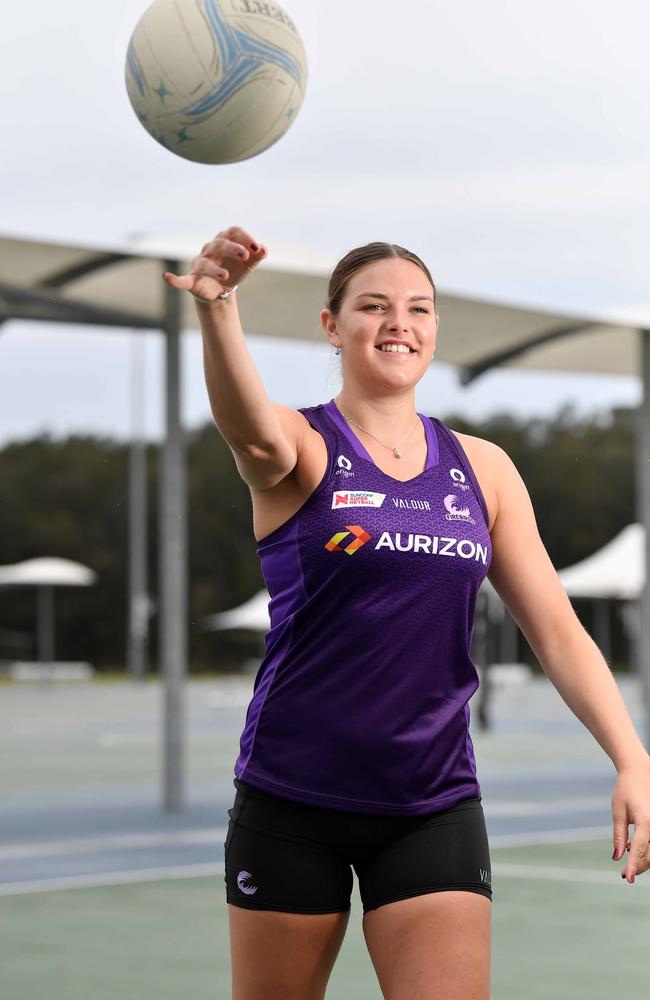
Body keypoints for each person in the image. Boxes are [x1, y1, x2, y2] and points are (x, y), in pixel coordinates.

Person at [163, 226, 650, 1000]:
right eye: (374, 306)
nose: (400, 323)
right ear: (333, 325)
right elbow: (249, 433)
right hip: (293, 796)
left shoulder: (482, 469)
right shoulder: (304, 441)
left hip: (432, 801)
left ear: (434, 329)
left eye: (418, 309)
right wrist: (220, 307)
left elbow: (557, 630)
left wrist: (633, 758)